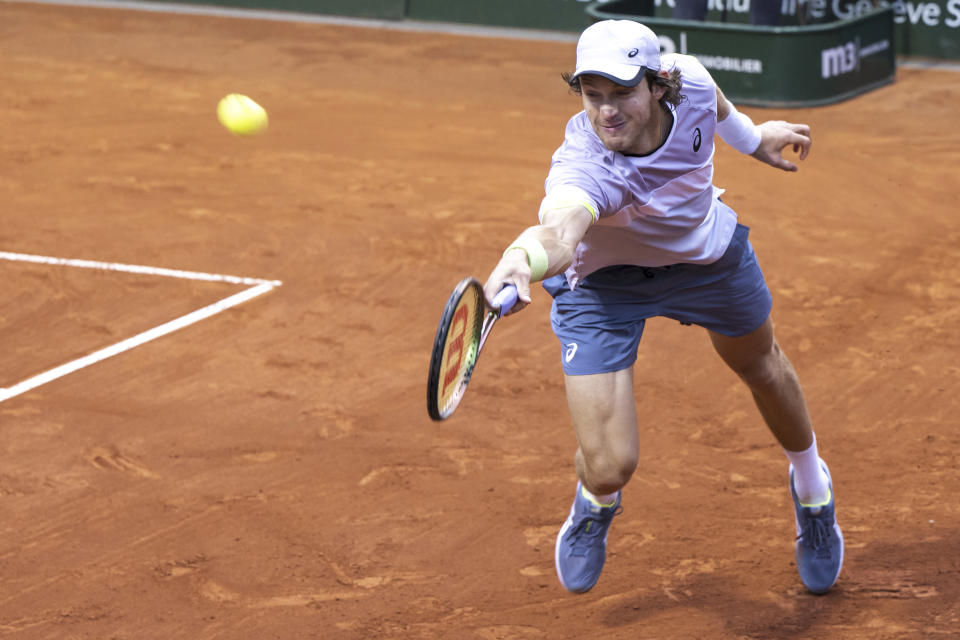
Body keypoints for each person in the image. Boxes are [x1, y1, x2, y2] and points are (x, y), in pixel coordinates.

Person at [482, 19, 843, 595]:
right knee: (608, 466)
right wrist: (521, 257)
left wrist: (752, 138)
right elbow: (561, 227)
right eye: (592, 96)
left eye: (622, 93)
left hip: (706, 260)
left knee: (762, 368)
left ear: (657, 84)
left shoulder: (692, 80)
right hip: (605, 283)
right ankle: (597, 503)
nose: (606, 112)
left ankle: (812, 490)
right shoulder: (584, 163)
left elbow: (718, 106)